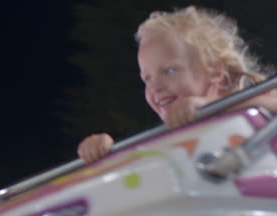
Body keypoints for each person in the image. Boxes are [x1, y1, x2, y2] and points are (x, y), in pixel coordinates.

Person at [77, 5, 277, 163]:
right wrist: (108, 153)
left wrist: (211, 105)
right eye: (147, 78)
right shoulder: (181, 130)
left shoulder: (246, 90)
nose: (155, 87)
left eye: (169, 71)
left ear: (215, 71)